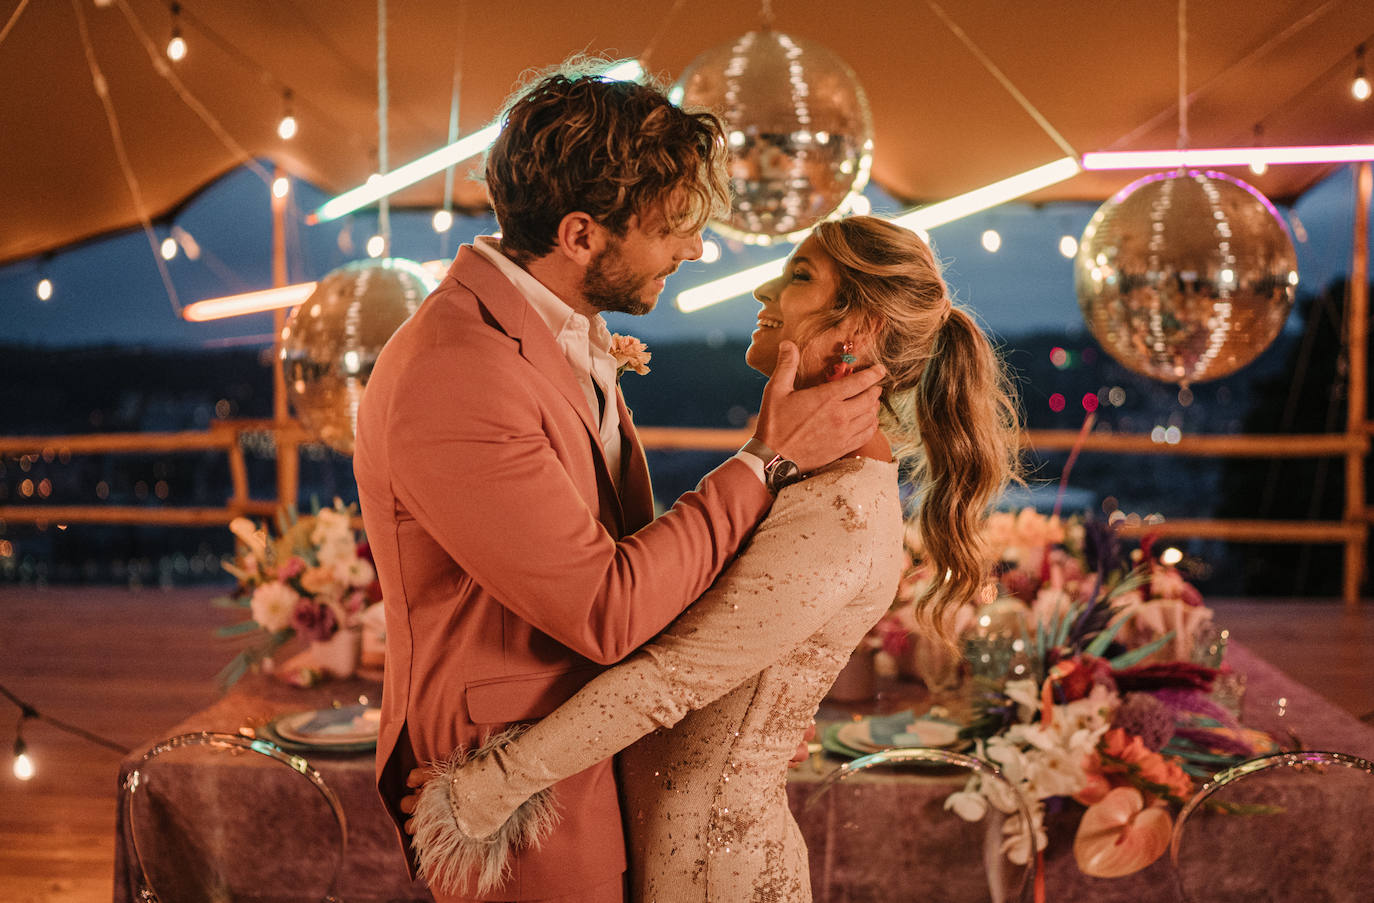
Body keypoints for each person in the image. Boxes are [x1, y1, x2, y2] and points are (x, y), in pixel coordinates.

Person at [352, 63, 886, 903]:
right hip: (520, 793)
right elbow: (606, 607)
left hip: (600, 757)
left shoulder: (555, 330)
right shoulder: (454, 371)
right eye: (673, 225)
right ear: (580, 236)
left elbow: (627, 559)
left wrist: (734, 707)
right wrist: (763, 461)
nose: (695, 249)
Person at [400, 216, 1023, 901]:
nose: (765, 288)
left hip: (713, 870)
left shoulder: (845, 511)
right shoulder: (808, 476)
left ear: (860, 329)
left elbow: (671, 677)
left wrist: (485, 790)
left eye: (799, 277)